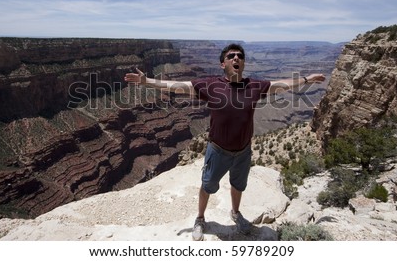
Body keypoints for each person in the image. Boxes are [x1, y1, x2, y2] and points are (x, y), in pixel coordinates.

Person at [124, 43, 325, 241]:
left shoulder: (254, 86)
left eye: (240, 56)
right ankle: (200, 218)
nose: (236, 58)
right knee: (207, 185)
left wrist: (307, 79)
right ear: (223, 64)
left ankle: (236, 214)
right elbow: (178, 87)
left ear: (244, 63)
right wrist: (146, 82)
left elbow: (281, 85)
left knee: (238, 185)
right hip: (218, 151)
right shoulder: (211, 85)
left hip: (243, 151)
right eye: (231, 56)